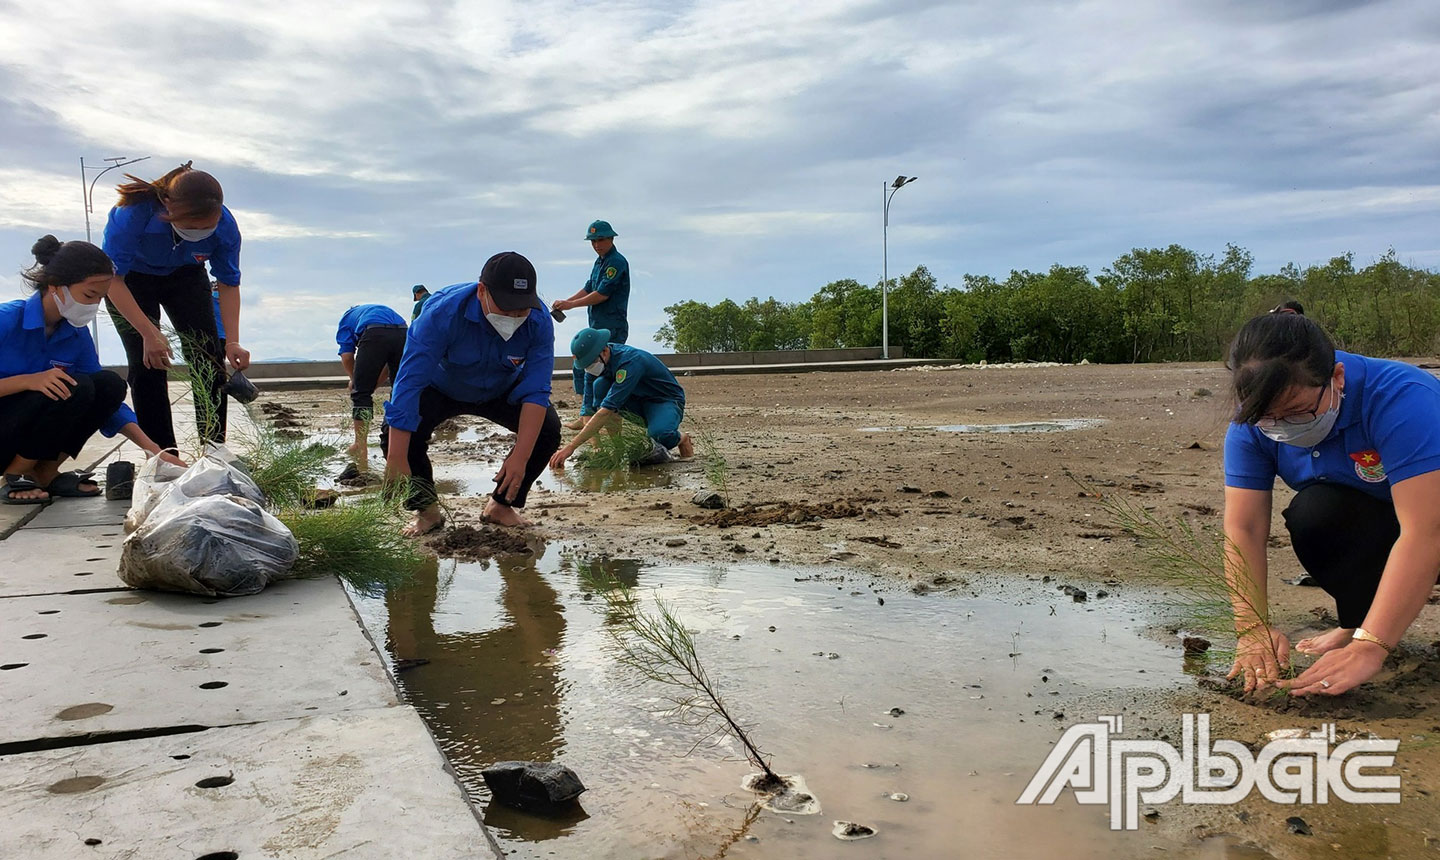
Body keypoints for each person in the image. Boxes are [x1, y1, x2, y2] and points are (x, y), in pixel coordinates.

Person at [1223, 303, 1440, 697]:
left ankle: (1369, 634)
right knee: (1316, 513)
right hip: (1385, 516)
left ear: (1337, 378)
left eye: (1298, 412)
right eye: (1268, 418)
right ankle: (1357, 622)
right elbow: (1244, 527)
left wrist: (1371, 648)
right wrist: (1252, 626)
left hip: (1429, 518)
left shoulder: (1402, 399)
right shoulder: (1252, 421)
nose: (1282, 427)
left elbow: (1426, 530)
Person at [382, 252, 561, 535]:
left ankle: (500, 506)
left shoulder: (537, 319)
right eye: (506, 308)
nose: (514, 317)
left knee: (547, 431)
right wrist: (395, 459)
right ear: (482, 292)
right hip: (442, 385)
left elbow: (537, 390)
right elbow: (409, 383)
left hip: (501, 386)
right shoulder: (441, 313)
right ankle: (427, 511)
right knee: (396, 436)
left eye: (521, 309)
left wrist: (521, 456)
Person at [1, 236, 182, 503]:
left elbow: (106, 401)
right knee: (75, 385)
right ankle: (16, 473)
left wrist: (154, 450)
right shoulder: (7, 320)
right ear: (55, 286)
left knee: (108, 385)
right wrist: (28, 381)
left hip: (29, 432)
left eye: (100, 298)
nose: (93, 305)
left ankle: (46, 472)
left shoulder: (75, 334)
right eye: (88, 295)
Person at [102, 162, 249, 449]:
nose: (201, 232)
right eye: (192, 227)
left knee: (208, 357)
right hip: (130, 280)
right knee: (148, 364)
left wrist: (233, 341)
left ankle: (214, 448)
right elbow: (112, 279)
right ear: (167, 206)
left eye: (208, 227)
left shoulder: (226, 227)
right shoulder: (133, 214)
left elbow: (229, 283)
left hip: (186, 275)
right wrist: (149, 334)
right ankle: (163, 454)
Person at [549, 328, 693, 471]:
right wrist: (597, 448)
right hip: (635, 400)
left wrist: (571, 447)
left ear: (604, 351)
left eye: (590, 363)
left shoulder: (630, 361)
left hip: (664, 400)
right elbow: (588, 410)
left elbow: (605, 411)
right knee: (600, 385)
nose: (588, 369)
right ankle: (619, 447)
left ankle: (682, 438)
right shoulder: (593, 367)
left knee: (661, 435)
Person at [551, 220, 630, 430]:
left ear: (611, 239)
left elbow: (602, 294)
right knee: (582, 367)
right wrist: (566, 303)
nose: (597, 245)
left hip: (612, 325)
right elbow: (589, 288)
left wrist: (571, 304)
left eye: (601, 240)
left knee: (599, 371)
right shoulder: (600, 262)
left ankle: (601, 415)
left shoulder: (616, 263)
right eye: (593, 241)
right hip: (596, 326)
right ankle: (587, 413)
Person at [337, 304, 408, 469]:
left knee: (361, 394)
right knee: (400, 390)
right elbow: (386, 368)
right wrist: (371, 383)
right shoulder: (376, 310)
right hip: (403, 332)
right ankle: (396, 442)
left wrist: (355, 380)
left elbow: (347, 356)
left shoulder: (346, 318)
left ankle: (360, 448)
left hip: (374, 332)